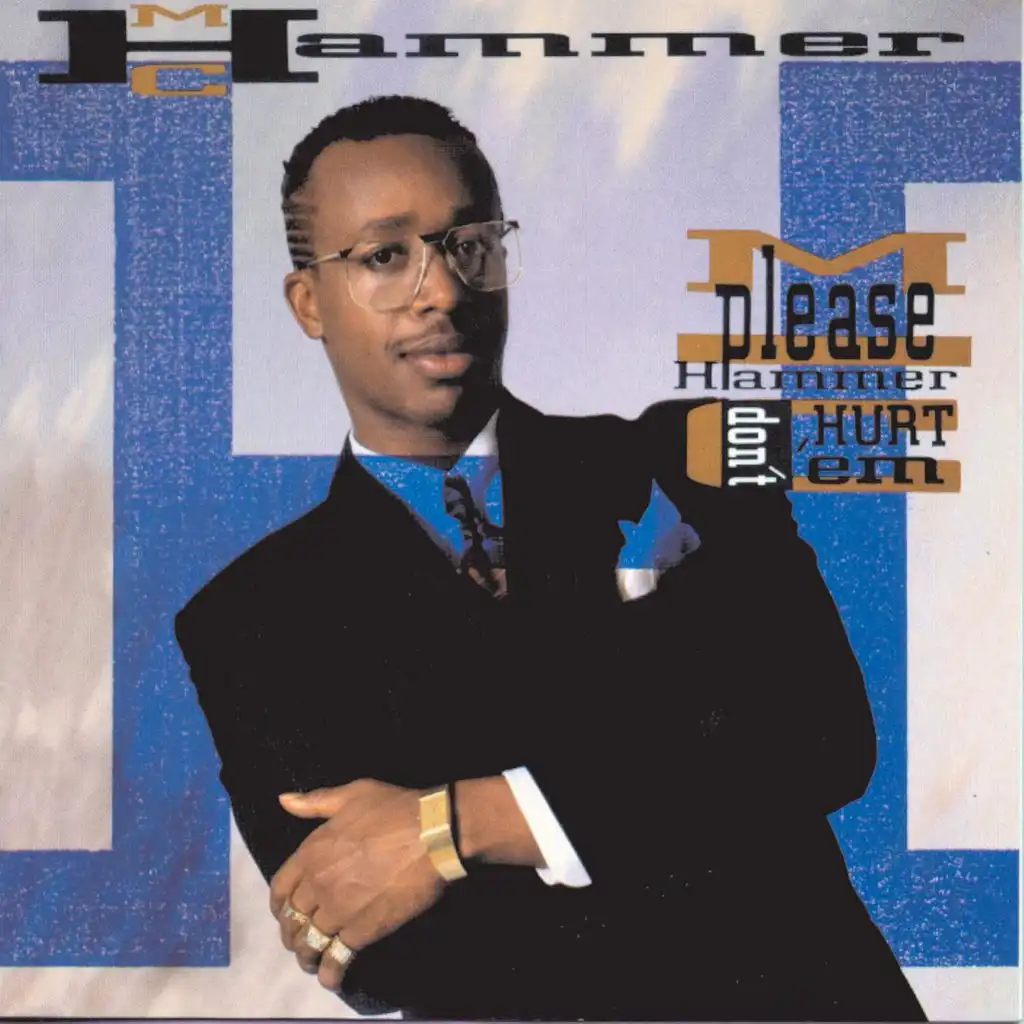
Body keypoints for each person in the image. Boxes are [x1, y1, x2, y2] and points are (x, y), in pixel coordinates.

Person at [174, 95, 926, 1021]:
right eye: (384, 257)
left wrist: (453, 826)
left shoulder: (694, 450)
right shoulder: (247, 620)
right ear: (308, 304)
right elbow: (376, 958)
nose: (442, 291)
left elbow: (820, 738)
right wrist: (680, 762)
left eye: (469, 245)